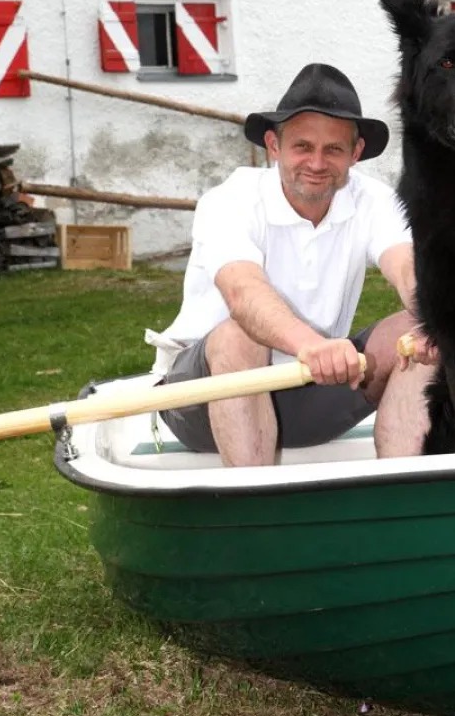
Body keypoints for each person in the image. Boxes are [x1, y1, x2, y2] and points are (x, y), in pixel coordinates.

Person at [147, 63, 437, 467]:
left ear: (354, 153)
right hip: (204, 399)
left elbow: (408, 266)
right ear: (274, 145)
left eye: (333, 149)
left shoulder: (374, 200)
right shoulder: (231, 199)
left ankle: (405, 494)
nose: (317, 163)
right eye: (303, 146)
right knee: (238, 337)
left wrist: (432, 319)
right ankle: (256, 517)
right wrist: (312, 346)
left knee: (423, 328)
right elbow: (242, 292)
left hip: (312, 394)